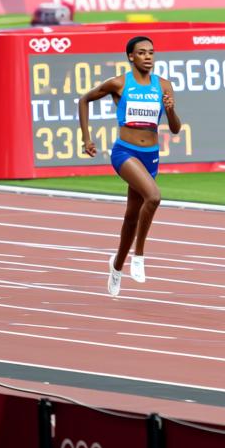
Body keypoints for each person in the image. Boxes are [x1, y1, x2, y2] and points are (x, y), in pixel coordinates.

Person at [78, 36, 182, 297]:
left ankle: (116, 266)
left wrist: (170, 111)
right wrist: (86, 138)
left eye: (151, 52)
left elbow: (176, 128)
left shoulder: (164, 86)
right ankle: (140, 254)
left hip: (151, 155)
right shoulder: (120, 84)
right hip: (125, 152)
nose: (148, 57)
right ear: (131, 57)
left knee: (131, 216)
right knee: (154, 196)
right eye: (142, 53)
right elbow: (84, 100)